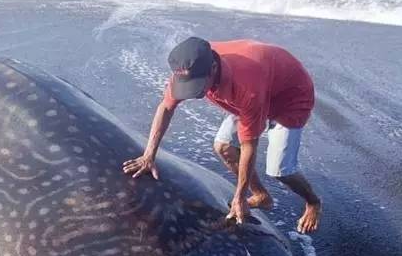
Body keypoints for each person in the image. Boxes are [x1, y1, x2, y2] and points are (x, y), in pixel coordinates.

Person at [122, 37, 322, 234]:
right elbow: (166, 107)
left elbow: (249, 145)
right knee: (223, 146)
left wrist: (240, 197)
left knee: (280, 170)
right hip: (259, 89)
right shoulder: (188, 65)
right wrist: (148, 155)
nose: (193, 90)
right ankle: (261, 195)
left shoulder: (246, 85)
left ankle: (313, 202)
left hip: (290, 97)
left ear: (213, 69)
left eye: (198, 84)